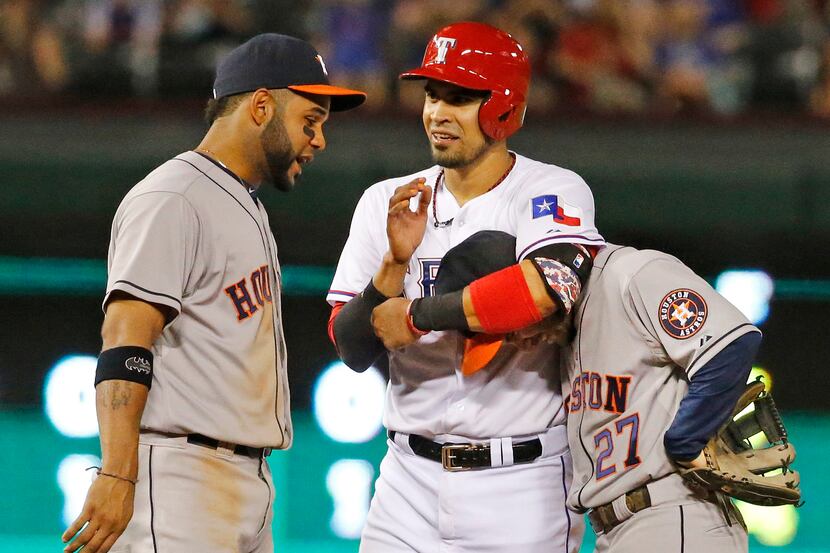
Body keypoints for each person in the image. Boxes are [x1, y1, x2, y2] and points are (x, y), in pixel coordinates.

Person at [61, 33, 365, 553]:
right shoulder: (174, 196)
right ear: (262, 105)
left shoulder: (239, 201)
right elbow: (125, 336)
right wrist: (118, 474)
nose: (318, 140)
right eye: (309, 120)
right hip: (182, 480)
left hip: (240, 481)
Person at [327, 22, 603, 553]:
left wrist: (416, 315)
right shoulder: (387, 199)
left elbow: (551, 284)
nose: (437, 112)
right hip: (405, 483)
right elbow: (351, 346)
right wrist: (392, 265)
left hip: (519, 484)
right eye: (432, 94)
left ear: (502, 106)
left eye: (459, 97)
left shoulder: (550, 189)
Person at [438, 231, 760, 553]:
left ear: (530, 290)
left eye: (510, 327)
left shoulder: (631, 275)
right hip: (618, 530)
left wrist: (684, 441)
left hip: (673, 516)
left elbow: (732, 344)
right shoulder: (566, 332)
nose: (515, 341)